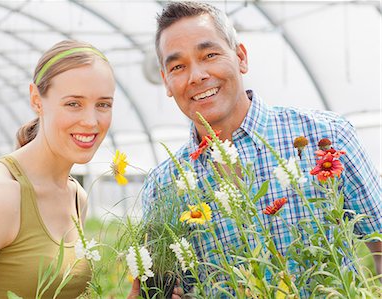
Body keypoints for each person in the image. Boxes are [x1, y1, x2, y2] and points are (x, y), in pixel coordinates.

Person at [142, 1, 382, 297]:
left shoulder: (325, 136)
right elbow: (166, 285)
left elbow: (379, 242)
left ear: (240, 57)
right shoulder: (163, 186)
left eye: (210, 55)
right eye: (178, 66)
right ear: (166, 81)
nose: (196, 76)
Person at [0, 40, 182, 299]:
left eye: (103, 104)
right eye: (73, 103)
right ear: (36, 100)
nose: (90, 121)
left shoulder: (76, 196)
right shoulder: (0, 193)